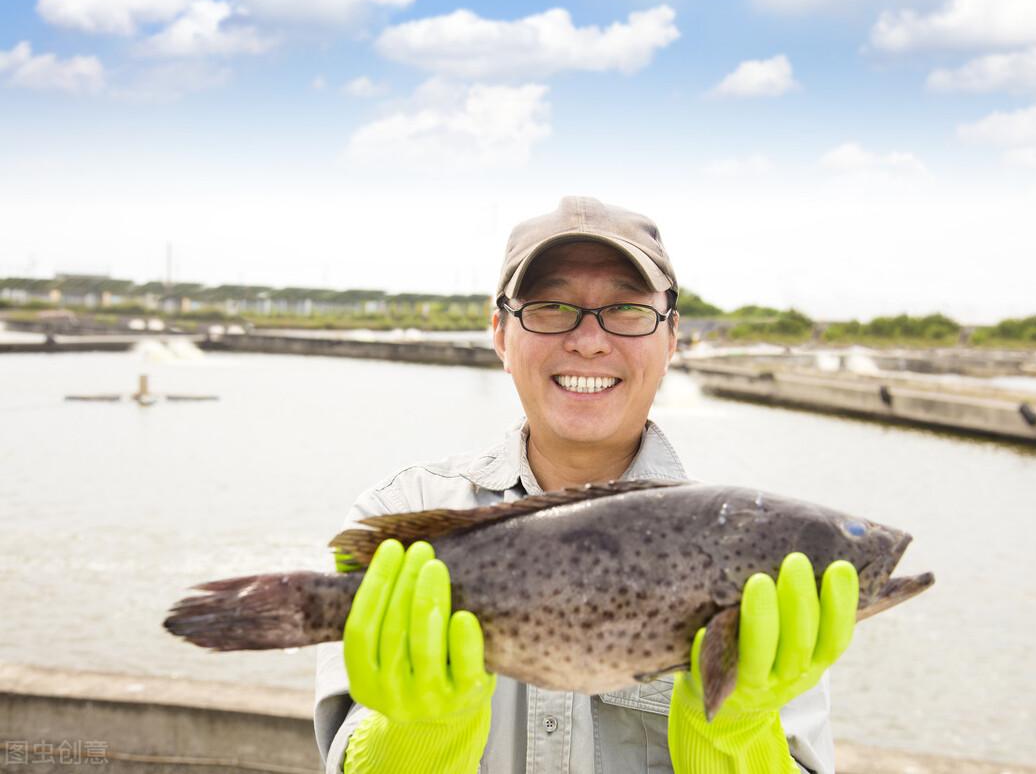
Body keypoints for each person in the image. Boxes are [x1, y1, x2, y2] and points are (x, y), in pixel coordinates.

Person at [313, 196, 859, 773]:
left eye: (625, 309)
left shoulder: (760, 553)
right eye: (551, 307)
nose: (590, 340)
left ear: (672, 337)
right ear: (500, 334)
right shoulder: (405, 511)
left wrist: (736, 734)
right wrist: (415, 735)